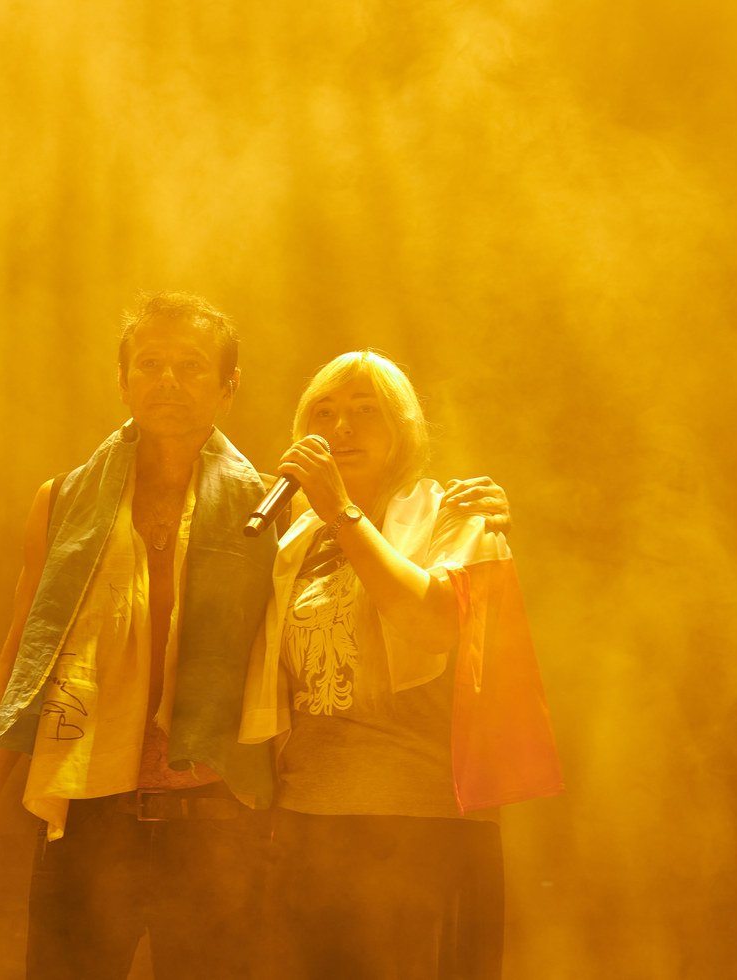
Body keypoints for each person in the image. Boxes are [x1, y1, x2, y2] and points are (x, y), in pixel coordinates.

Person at [0, 295, 512, 979]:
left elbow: (388, 543)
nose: (168, 381)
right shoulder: (63, 501)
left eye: (191, 366)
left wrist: (484, 507)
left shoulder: (277, 509)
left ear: (228, 388)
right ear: (122, 380)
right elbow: (23, 661)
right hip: (86, 815)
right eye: (150, 363)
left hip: (219, 826)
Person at [240, 351, 563, 979]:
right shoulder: (291, 535)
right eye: (324, 413)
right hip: (307, 823)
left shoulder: (457, 513)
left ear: (404, 429)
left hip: (423, 827)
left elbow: (433, 624)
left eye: (367, 411)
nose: (342, 428)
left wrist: (343, 511)